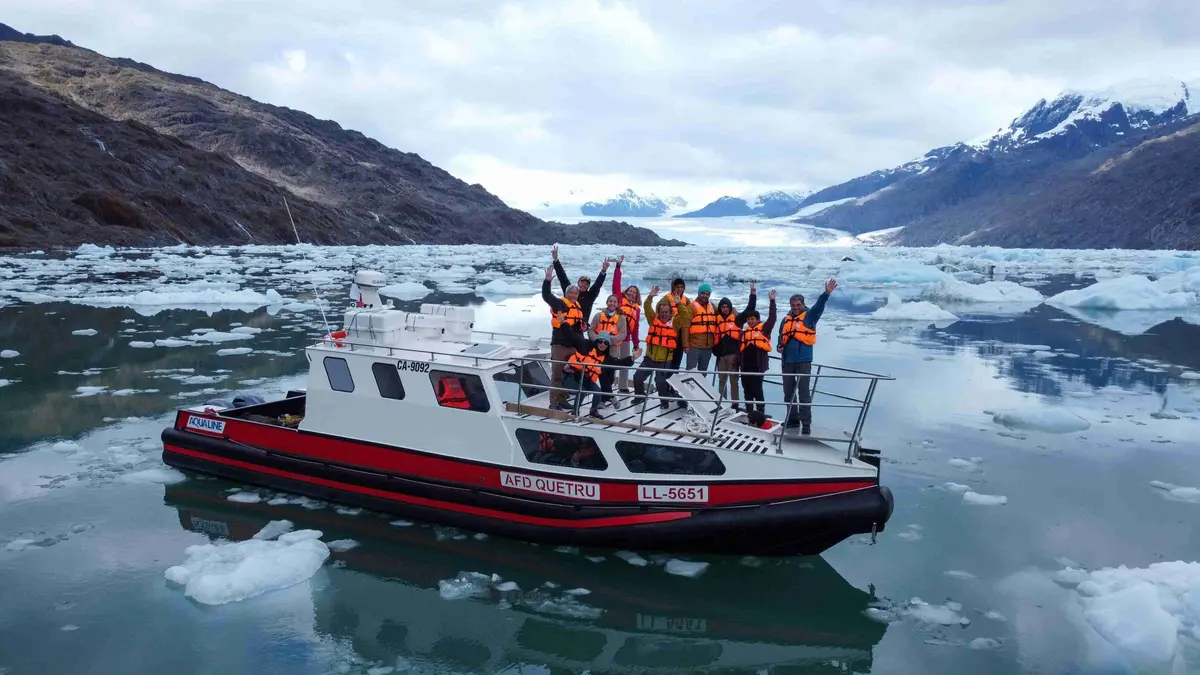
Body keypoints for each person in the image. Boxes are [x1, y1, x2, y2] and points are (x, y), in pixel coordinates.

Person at [542, 260, 609, 409]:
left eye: (575, 293)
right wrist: (547, 280)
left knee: (569, 374)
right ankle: (554, 403)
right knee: (557, 375)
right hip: (560, 345)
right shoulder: (560, 304)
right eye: (571, 292)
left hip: (573, 346)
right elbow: (546, 296)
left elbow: (579, 327)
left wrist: (584, 327)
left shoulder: (578, 308)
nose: (573, 295)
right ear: (567, 293)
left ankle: (563, 399)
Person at [778, 279, 837, 434]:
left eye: (798, 305)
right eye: (793, 305)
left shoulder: (809, 317)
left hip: (803, 361)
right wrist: (779, 345)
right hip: (787, 361)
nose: (796, 308)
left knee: (804, 393)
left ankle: (806, 423)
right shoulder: (785, 320)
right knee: (788, 392)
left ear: (803, 305)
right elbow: (781, 336)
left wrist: (826, 294)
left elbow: (819, 307)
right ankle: (792, 419)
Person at [559, 321, 641, 417]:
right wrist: (563, 323)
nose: (602, 344)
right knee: (582, 391)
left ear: (608, 345)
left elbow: (619, 363)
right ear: (597, 341)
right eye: (600, 341)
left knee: (597, 392)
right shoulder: (585, 345)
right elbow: (571, 337)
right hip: (570, 375)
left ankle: (593, 411)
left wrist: (632, 358)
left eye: (605, 343)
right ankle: (575, 411)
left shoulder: (606, 358)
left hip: (585, 378)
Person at [633, 288, 689, 409]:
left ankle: (664, 403)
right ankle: (639, 397)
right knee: (637, 377)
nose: (664, 314)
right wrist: (650, 297)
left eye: (666, 312)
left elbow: (685, 315)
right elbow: (647, 307)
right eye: (662, 312)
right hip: (649, 359)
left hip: (664, 361)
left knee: (660, 382)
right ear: (658, 312)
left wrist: (679, 303)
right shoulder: (653, 320)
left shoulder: (675, 323)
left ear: (670, 313)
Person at [711, 285, 757, 410]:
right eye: (723, 307)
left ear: (730, 307)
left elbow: (749, 310)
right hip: (721, 356)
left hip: (733, 355)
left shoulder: (737, 319)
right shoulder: (717, 319)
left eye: (727, 306)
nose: (725, 309)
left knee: (733, 381)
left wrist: (752, 295)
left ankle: (735, 404)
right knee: (721, 380)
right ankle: (721, 403)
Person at [740, 290, 778, 415]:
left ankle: (760, 413)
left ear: (757, 319)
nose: (750, 321)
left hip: (757, 366)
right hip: (745, 366)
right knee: (747, 390)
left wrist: (772, 301)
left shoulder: (764, 329)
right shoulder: (745, 332)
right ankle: (750, 413)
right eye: (748, 319)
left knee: (757, 390)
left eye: (752, 319)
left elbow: (772, 318)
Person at [611, 256, 642, 393]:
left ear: (636, 296)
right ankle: (609, 385)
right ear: (626, 291)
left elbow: (635, 329)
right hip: (614, 337)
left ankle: (623, 387)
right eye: (630, 290)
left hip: (626, 339)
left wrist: (636, 344)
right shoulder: (619, 299)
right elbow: (615, 284)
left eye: (634, 292)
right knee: (611, 362)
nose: (631, 293)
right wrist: (618, 268)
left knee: (625, 363)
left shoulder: (636, 309)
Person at [589, 294, 628, 394]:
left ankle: (606, 396)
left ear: (618, 304)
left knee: (610, 374)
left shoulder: (621, 318)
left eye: (615, 302)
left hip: (613, 350)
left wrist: (608, 340)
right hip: (599, 349)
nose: (612, 303)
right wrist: (598, 340)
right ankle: (602, 395)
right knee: (599, 373)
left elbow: (623, 334)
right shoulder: (598, 316)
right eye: (610, 301)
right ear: (607, 303)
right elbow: (591, 330)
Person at [551, 246, 606, 318]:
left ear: (588, 286)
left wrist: (604, 270)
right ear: (578, 283)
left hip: (581, 327)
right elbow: (562, 277)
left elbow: (597, 284)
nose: (584, 285)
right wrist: (556, 260)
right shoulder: (569, 291)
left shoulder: (590, 296)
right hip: (567, 325)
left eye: (586, 284)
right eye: (582, 282)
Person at [684, 283, 718, 372]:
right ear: (699, 294)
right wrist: (685, 345)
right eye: (703, 293)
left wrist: (734, 310)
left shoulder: (712, 306)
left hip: (708, 346)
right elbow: (685, 327)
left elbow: (724, 312)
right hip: (694, 346)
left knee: (703, 372)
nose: (705, 296)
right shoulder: (692, 307)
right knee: (690, 371)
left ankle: (700, 386)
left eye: (707, 294)